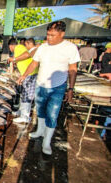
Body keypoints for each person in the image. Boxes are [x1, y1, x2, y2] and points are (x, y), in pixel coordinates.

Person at [17, 21, 80, 155]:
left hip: (58, 87)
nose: (49, 38)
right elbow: (34, 63)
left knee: (52, 114)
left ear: (62, 34)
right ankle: (40, 131)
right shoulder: (42, 47)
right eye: (48, 34)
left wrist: (71, 89)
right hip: (41, 84)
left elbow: (73, 70)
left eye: (52, 35)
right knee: (40, 110)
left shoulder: (71, 48)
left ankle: (47, 142)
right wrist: (24, 75)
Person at [7, 38, 38, 123]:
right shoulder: (19, 49)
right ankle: (21, 112)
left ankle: (25, 116)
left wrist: (13, 59)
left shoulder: (18, 47)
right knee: (24, 94)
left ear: (11, 46)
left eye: (9, 47)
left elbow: (27, 54)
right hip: (28, 74)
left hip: (30, 74)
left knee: (27, 95)